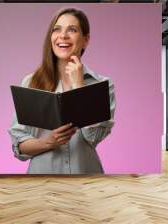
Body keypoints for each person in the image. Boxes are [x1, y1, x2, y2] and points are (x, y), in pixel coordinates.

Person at [8, 8, 115, 174]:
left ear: (85, 40)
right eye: (57, 29)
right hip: (41, 182)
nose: (63, 35)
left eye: (72, 30)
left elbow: (94, 137)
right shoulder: (30, 82)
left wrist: (78, 86)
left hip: (86, 178)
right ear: (51, 38)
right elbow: (19, 146)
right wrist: (49, 142)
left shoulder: (102, 84)